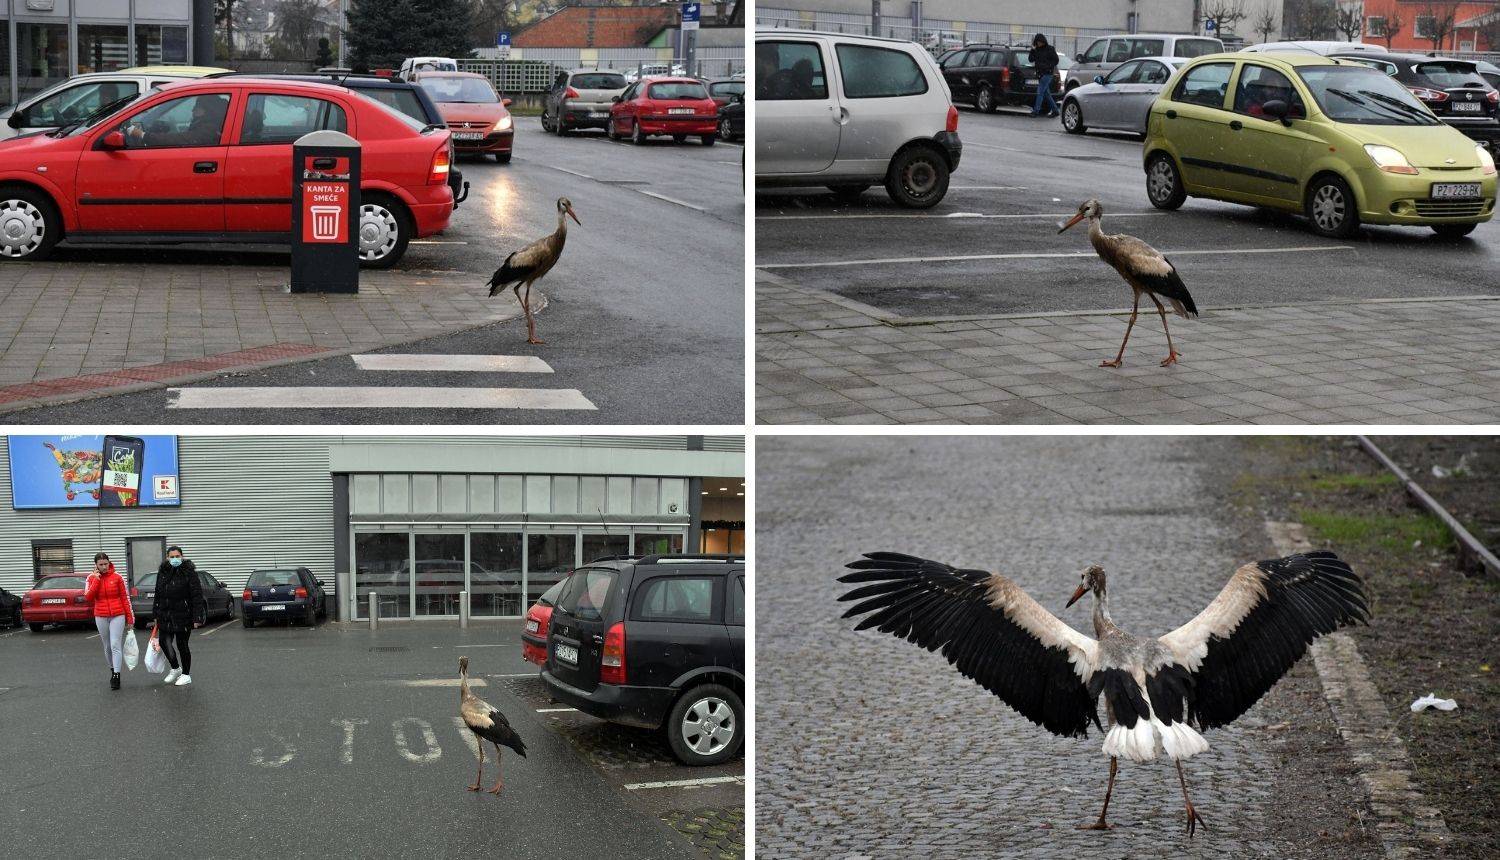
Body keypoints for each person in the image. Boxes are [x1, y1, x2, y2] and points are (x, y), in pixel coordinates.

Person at [151, 545, 205, 687]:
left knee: (182, 645)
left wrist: (197, 617)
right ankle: (175, 668)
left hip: (183, 614)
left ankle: (186, 674)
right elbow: (158, 593)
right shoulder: (163, 572)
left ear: (182, 556)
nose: (175, 559)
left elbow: (197, 595)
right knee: (164, 642)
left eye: (177, 556)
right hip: (165, 614)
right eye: (172, 557)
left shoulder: (189, 572)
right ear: (167, 558)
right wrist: (156, 613)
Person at [84, 553, 133, 690]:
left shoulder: (118, 577)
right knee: (107, 646)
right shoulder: (90, 578)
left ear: (109, 562)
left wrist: (130, 618)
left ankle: (117, 675)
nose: (104, 567)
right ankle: (112, 669)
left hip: (118, 614)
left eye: (106, 563)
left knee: (115, 644)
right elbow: (88, 597)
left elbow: (125, 598)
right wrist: (96, 580)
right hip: (100, 615)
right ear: (96, 565)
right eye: (101, 564)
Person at [1028, 34, 1060, 118]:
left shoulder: (1050, 49)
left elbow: (1056, 60)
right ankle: (1055, 110)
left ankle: (1036, 111)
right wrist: (1032, 50)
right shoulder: (1036, 50)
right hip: (1040, 74)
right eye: (1037, 42)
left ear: (1043, 41)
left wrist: (1049, 67)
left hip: (1047, 74)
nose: (1039, 44)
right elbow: (1030, 59)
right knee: (1046, 94)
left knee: (1040, 92)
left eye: (1040, 42)